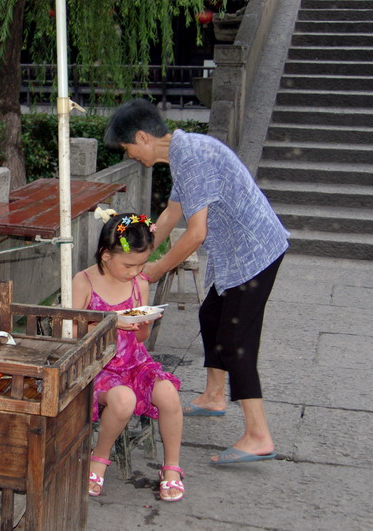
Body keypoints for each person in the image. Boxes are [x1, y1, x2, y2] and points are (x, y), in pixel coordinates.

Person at [104, 99, 289, 465]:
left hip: (255, 252)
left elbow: (196, 233)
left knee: (236, 339)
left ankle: (258, 434)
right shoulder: (182, 152)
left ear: (142, 137)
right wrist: (138, 246)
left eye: (128, 148)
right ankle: (214, 396)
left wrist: (154, 270)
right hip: (236, 254)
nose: (132, 156)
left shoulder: (191, 156)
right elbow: (173, 212)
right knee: (210, 317)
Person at [73, 210, 184, 502]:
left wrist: (143, 324)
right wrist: (110, 322)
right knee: (123, 400)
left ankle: (171, 467)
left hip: (135, 362)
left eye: (142, 264)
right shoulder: (83, 282)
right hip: (98, 367)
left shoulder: (139, 285)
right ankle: (98, 460)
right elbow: (70, 334)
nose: (135, 272)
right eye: (129, 265)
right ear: (105, 255)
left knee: (170, 394)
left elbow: (140, 340)